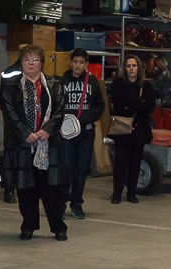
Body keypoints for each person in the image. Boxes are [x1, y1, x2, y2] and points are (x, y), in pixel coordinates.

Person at [0, 44, 69, 241]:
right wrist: (25, 133)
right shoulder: (12, 86)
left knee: (52, 189)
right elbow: (9, 112)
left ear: (41, 63)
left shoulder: (54, 85)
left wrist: (47, 130)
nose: (31, 63)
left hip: (48, 145)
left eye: (35, 59)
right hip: (23, 144)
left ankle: (58, 227)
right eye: (26, 59)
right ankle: (28, 226)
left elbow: (60, 109)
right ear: (21, 63)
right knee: (26, 189)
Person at [59, 48, 104, 219]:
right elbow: (55, 104)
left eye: (81, 62)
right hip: (66, 134)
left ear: (86, 65)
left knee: (81, 170)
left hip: (85, 133)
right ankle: (61, 203)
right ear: (70, 63)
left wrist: (87, 117)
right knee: (66, 169)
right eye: (75, 62)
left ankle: (76, 203)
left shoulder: (92, 82)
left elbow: (101, 105)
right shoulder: (61, 81)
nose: (77, 65)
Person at [109, 55, 154, 204]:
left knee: (135, 163)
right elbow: (118, 100)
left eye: (134, 66)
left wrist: (130, 104)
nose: (131, 69)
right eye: (128, 66)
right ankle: (117, 193)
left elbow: (149, 106)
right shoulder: (118, 83)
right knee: (120, 163)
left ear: (139, 68)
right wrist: (137, 101)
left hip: (139, 130)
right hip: (122, 130)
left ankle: (132, 192)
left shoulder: (146, 86)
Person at [0, 58, 22, 204]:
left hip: (30, 125)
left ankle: (23, 189)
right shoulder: (9, 73)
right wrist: (13, 120)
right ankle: (9, 190)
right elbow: (3, 99)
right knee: (10, 158)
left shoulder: (37, 73)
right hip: (12, 124)